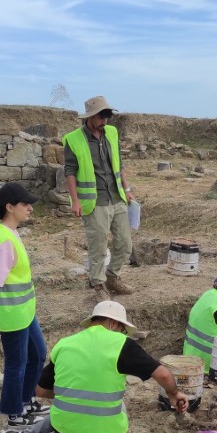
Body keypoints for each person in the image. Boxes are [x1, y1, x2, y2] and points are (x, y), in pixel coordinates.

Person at [1, 301, 189, 433]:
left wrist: (69, 394)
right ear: (113, 323)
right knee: (118, 405)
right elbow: (163, 375)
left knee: (66, 405)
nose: (121, 334)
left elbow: (41, 391)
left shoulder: (64, 344)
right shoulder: (122, 345)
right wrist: (174, 393)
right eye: (122, 329)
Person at [0, 182, 48, 430]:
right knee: (17, 363)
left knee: (37, 355)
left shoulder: (11, 233)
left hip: (24, 311)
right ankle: (14, 413)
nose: (30, 209)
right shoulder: (4, 241)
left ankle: (26, 401)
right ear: (9, 207)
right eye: (25, 204)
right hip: (12, 314)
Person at [63, 95, 136, 302]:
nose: (106, 120)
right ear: (91, 116)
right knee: (98, 247)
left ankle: (112, 278)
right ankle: (98, 285)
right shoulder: (74, 139)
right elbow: (69, 171)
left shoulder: (111, 133)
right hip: (94, 203)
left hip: (117, 197)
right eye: (102, 116)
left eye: (108, 116)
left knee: (124, 244)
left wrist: (127, 188)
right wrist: (75, 201)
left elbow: (119, 164)